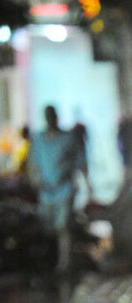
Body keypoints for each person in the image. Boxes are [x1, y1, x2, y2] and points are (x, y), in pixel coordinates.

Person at [27, 106, 88, 274]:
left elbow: (80, 161)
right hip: (46, 190)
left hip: (64, 188)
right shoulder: (38, 140)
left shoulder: (68, 139)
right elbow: (33, 162)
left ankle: (65, 263)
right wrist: (35, 179)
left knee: (63, 226)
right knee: (48, 226)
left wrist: (87, 186)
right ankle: (49, 259)